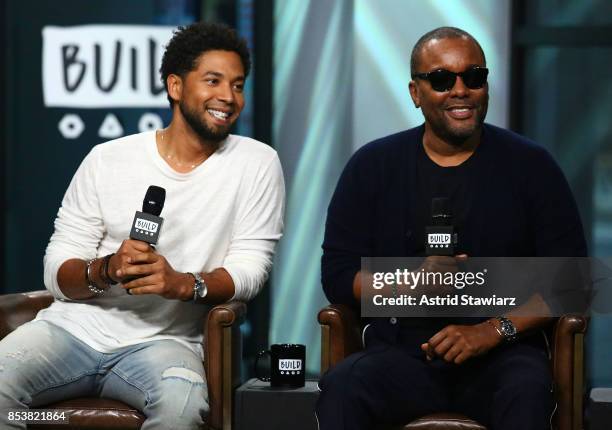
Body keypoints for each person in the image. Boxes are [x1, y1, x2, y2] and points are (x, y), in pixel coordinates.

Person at [0, 22, 284, 430]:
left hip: (166, 345)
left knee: (179, 410)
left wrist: (182, 284)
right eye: (213, 81)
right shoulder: (107, 159)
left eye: (238, 85)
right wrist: (106, 269)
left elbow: (251, 269)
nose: (228, 97)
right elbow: (58, 267)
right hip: (73, 331)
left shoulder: (256, 163)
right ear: (175, 86)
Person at [316, 27, 586, 430]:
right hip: (402, 355)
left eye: (474, 77)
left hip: (504, 355)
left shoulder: (532, 166)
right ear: (415, 93)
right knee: (343, 386)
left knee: (526, 390)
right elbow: (337, 275)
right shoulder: (372, 166)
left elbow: (573, 282)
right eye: (442, 80)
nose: (460, 90)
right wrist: (408, 287)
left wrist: (492, 331)